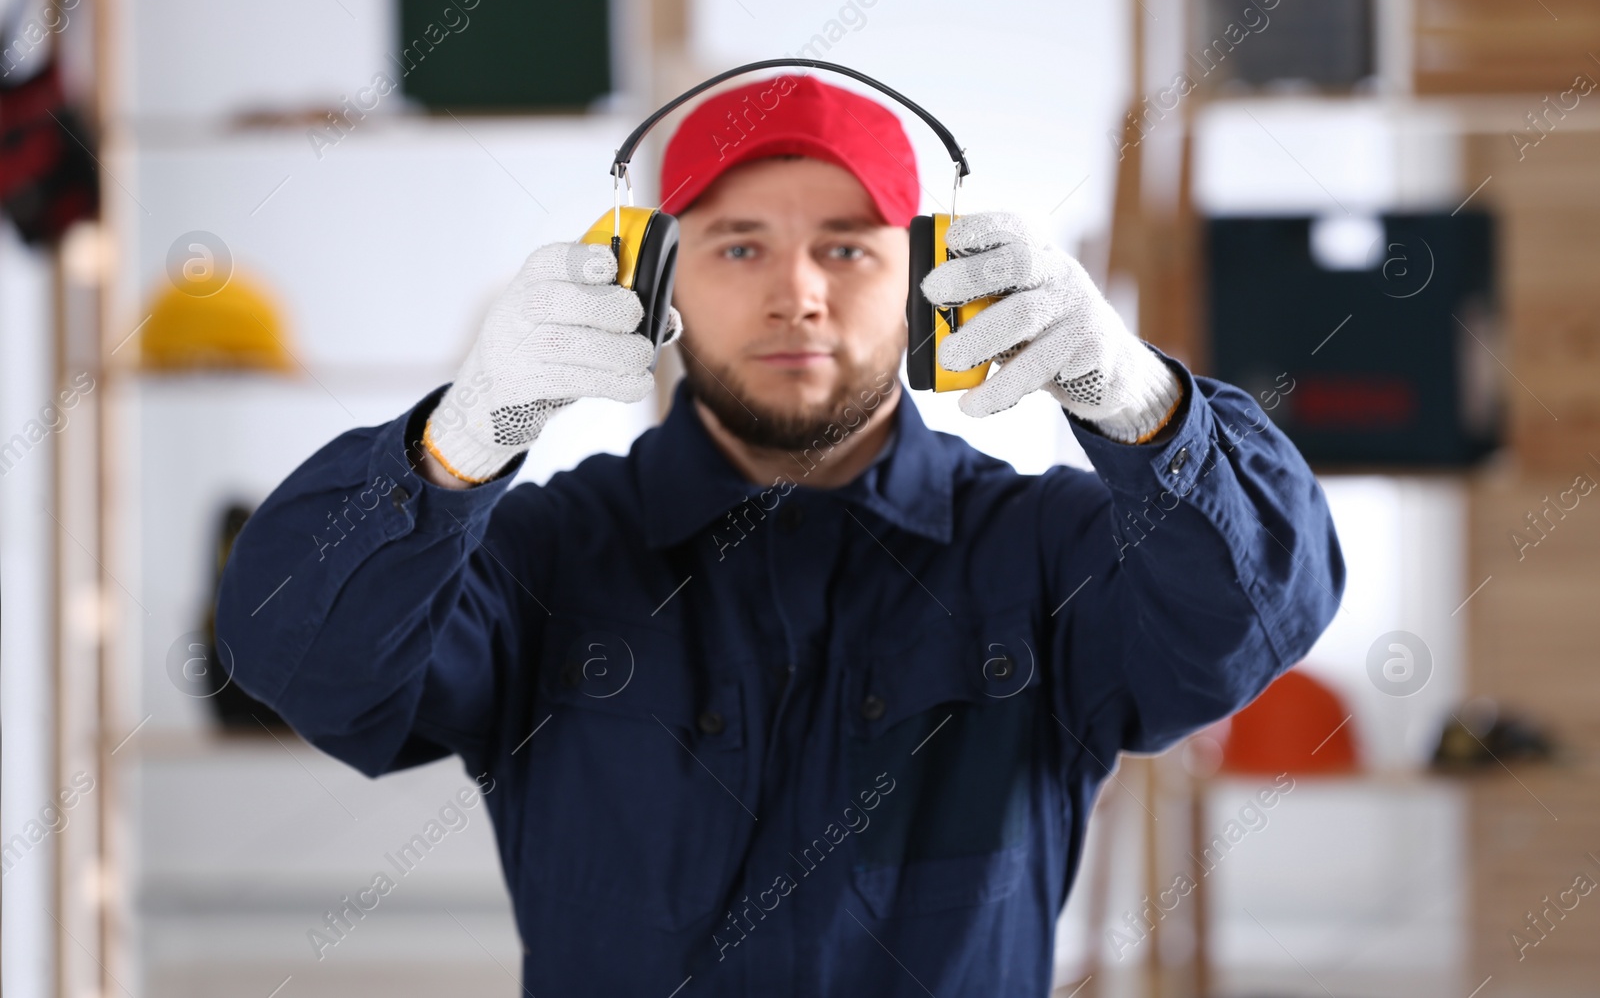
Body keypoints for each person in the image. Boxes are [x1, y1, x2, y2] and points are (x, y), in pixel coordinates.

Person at [216, 73, 1344, 996]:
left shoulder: (1037, 549)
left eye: (847, 247)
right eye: (738, 246)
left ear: (922, 280)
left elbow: (1254, 617)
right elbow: (299, 660)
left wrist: (1145, 407)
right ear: (657, 279)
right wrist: (453, 444)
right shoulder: (543, 556)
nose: (796, 293)